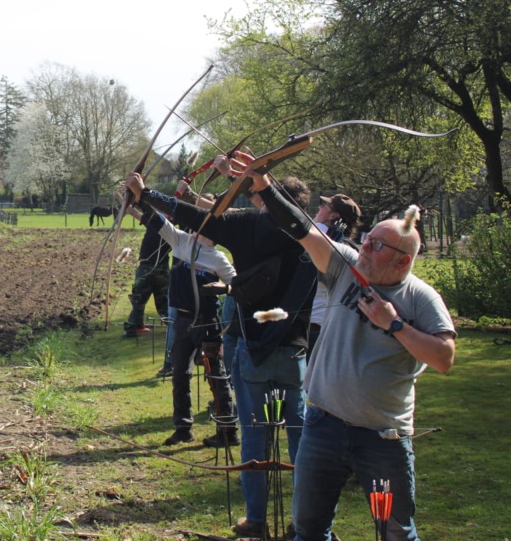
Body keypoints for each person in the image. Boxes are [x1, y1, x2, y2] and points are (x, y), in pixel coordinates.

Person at [245, 168, 456, 541]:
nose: (365, 247)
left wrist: (393, 324)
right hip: (322, 426)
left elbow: (443, 357)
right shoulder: (344, 267)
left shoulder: (420, 298)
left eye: (377, 245)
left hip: (383, 438)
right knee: (309, 529)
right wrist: (265, 186)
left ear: (403, 261)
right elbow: (302, 229)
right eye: (368, 238)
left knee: (395, 532)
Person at [126, 166, 317, 539]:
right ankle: (306, 524)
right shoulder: (310, 234)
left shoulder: (249, 226)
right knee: (300, 439)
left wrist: (147, 193)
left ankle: (257, 521)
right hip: (293, 351)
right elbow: (189, 221)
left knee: (256, 437)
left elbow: (195, 215)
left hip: (254, 350)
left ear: (267, 201)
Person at [130, 203, 238, 448]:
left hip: (207, 323)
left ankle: (228, 431)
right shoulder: (181, 241)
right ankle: (183, 428)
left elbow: (239, 286)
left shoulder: (218, 259)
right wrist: (140, 195)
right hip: (182, 322)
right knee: (180, 375)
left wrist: (224, 288)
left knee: (216, 376)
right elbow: (156, 219)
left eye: (201, 225)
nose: (194, 228)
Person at [308, 194, 362, 357]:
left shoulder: (315, 236)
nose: (319, 207)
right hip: (324, 325)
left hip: (311, 326)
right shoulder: (350, 249)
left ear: (333, 216)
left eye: (325, 205)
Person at [121, 210, 170, 338]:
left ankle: (133, 327)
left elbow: (134, 212)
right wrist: (124, 201)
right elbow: (134, 213)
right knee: (161, 301)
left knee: (140, 299)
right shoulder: (161, 226)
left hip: (149, 269)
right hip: (160, 269)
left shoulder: (163, 226)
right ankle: (174, 327)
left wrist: (124, 202)